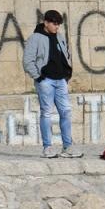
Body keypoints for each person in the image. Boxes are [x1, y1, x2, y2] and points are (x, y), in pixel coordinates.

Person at [22, 10, 80, 158]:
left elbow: (66, 55)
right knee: (46, 113)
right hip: (45, 80)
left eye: (58, 24)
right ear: (46, 22)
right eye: (54, 23)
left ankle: (67, 147)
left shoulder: (59, 37)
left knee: (66, 112)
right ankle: (47, 147)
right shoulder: (35, 38)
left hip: (61, 80)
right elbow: (28, 60)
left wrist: (67, 74)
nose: (57, 27)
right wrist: (38, 77)